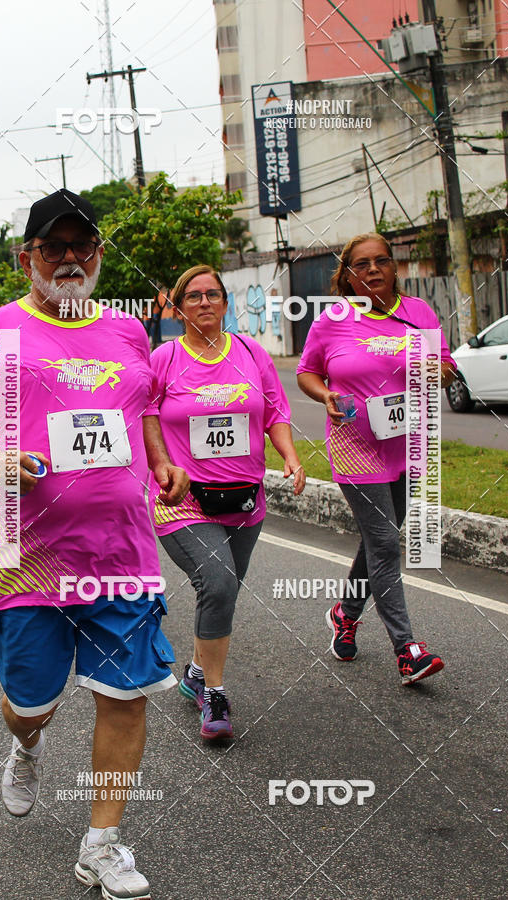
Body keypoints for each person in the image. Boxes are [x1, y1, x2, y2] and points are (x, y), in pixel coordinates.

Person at [0, 189, 189, 900]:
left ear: (99, 255)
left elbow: (143, 412)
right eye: (55, 248)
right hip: (25, 557)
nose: (70, 259)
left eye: (83, 246)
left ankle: (101, 845)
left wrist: (162, 459)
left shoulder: (129, 334)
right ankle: (26, 742)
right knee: (30, 701)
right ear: (28, 260)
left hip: (122, 551)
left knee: (127, 696)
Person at [149, 265, 305, 739]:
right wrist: (160, 465)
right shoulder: (164, 359)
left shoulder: (251, 354)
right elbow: (146, 412)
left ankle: (197, 672)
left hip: (244, 498)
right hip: (182, 499)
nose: (203, 302)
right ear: (177, 308)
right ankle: (214, 695)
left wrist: (291, 457)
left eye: (212, 294)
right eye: (192, 296)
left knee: (226, 590)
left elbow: (276, 409)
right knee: (216, 582)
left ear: (224, 302)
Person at [297, 233, 457, 685]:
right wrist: (326, 394)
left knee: (378, 540)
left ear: (394, 267)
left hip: (408, 444)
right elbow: (308, 371)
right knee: (386, 543)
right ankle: (407, 649)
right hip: (355, 445)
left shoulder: (419, 314)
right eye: (361, 264)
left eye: (381, 261)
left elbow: (446, 368)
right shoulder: (332, 321)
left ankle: (345, 613)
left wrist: (437, 370)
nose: (372, 270)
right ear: (347, 276)